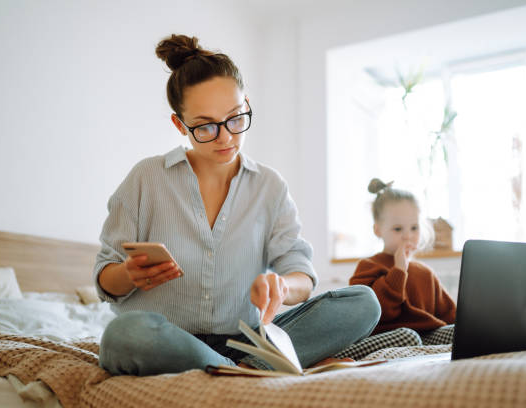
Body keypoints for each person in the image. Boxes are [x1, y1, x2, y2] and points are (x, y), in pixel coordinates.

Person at [94, 34, 381, 376]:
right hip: (168, 338)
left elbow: (301, 272)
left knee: (363, 303)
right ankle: (252, 370)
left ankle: (237, 367)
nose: (226, 137)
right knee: (124, 336)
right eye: (205, 127)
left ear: (245, 102)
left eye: (234, 118)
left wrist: (283, 286)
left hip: (246, 339)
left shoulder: (269, 186)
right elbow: (105, 280)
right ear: (179, 124)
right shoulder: (146, 178)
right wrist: (128, 274)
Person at [348, 178, 456, 344]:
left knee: (457, 333)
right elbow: (372, 314)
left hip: (426, 336)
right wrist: (398, 271)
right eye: (398, 229)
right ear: (378, 230)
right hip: (389, 337)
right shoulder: (368, 267)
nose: (408, 236)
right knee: (408, 336)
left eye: (414, 228)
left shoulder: (425, 273)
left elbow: (449, 315)